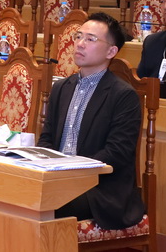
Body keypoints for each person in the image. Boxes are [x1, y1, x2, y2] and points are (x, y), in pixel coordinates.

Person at [38, 12, 145, 230]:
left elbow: (116, 152)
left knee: (43, 206)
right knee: (15, 196)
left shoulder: (123, 95)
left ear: (111, 51)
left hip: (100, 190)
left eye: (90, 39)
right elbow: (47, 139)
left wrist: (71, 173)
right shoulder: (61, 87)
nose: (80, 44)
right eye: (78, 36)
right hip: (58, 181)